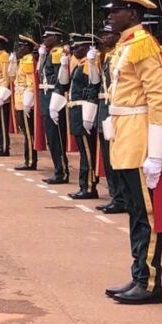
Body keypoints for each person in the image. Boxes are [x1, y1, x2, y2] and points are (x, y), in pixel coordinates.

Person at [103, 0, 162, 305]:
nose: (110, 15)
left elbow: (159, 96)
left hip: (142, 139)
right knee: (135, 210)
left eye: (115, 11)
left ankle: (148, 283)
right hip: (126, 134)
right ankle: (139, 275)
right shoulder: (126, 45)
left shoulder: (144, 44)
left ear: (132, 14)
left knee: (145, 213)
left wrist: (157, 153)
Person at [64, 34, 101, 200]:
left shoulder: (88, 63)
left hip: (84, 109)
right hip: (76, 109)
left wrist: (92, 63)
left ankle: (88, 186)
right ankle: (84, 185)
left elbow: (94, 83)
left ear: (87, 48)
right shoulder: (79, 64)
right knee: (83, 151)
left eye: (78, 47)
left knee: (87, 151)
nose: (74, 50)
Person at [94, 23, 126, 215]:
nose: (103, 38)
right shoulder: (108, 57)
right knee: (107, 155)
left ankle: (120, 197)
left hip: (113, 109)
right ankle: (115, 195)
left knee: (115, 155)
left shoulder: (118, 56)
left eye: (107, 34)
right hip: (104, 108)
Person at [38, 26, 70, 185]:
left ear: (56, 38)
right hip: (46, 97)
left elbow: (60, 79)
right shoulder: (50, 54)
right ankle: (58, 169)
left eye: (48, 37)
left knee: (56, 138)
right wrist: (42, 57)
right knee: (51, 138)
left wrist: (55, 102)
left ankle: (62, 171)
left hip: (53, 98)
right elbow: (40, 74)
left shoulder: (57, 53)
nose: (44, 39)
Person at [13, 35, 38, 170]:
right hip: (20, 100)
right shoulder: (22, 60)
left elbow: (31, 82)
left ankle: (30, 161)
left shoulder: (28, 60)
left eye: (22, 46)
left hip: (25, 100)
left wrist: (28, 101)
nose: (19, 49)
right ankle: (28, 159)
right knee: (25, 131)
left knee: (29, 133)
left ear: (27, 47)